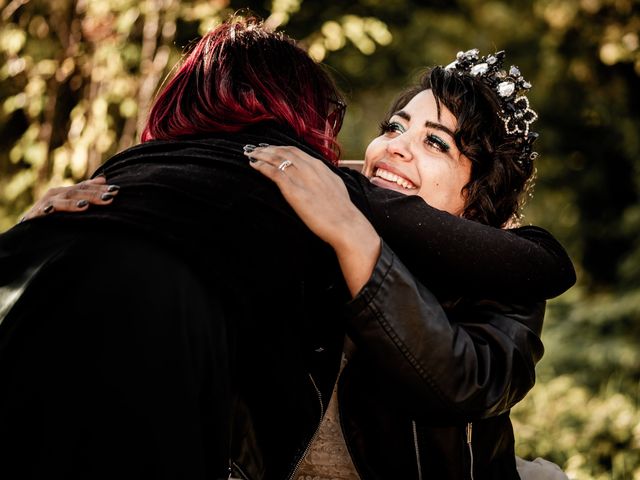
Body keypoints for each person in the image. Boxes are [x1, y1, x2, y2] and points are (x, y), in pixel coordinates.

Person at [0, 17, 574, 480]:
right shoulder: (311, 205)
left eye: (434, 142)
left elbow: (466, 379)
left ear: (477, 202)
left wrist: (355, 239)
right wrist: (52, 233)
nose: (397, 147)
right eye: (395, 127)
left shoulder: (496, 278)